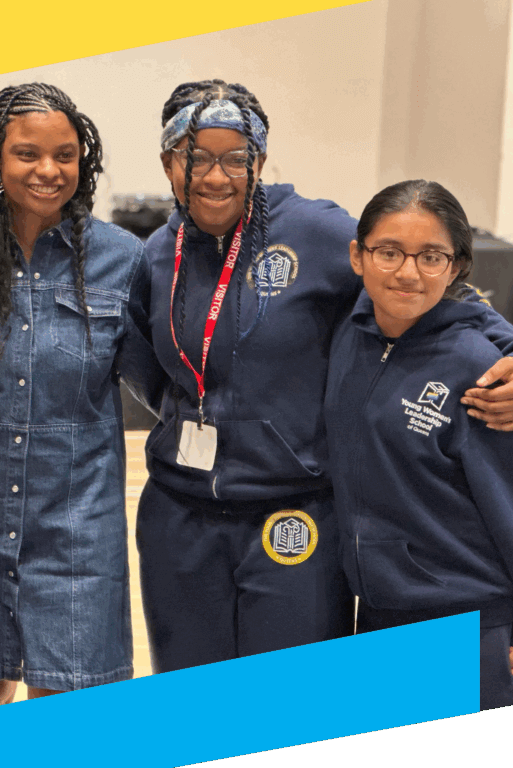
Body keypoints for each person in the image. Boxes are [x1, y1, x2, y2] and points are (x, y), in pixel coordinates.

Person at [136, 79, 513, 674]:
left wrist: (509, 347)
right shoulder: (160, 252)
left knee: (293, 703)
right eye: (195, 157)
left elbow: (418, 286)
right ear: (168, 162)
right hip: (180, 513)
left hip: (295, 513)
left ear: (260, 160)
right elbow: (147, 365)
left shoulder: (317, 233)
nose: (215, 176)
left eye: (235, 158)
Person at [0, 83, 161, 710]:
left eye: (65, 155)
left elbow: (160, 384)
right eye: (27, 154)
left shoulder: (121, 259)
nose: (49, 170)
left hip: (76, 526)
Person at [325, 179, 513, 710]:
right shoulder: (348, 333)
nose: (408, 272)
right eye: (389, 252)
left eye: (431, 257)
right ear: (358, 257)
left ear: (455, 268)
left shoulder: (480, 367)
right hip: (377, 613)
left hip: (469, 624)